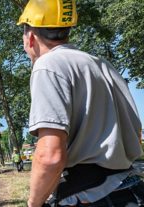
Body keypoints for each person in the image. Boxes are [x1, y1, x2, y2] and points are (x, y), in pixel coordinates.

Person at [17, 0, 144, 206]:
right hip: (131, 188)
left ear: (30, 37)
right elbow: (135, 130)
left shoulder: (47, 66)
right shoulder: (102, 65)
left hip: (91, 196)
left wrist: (34, 202)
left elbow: (50, 156)